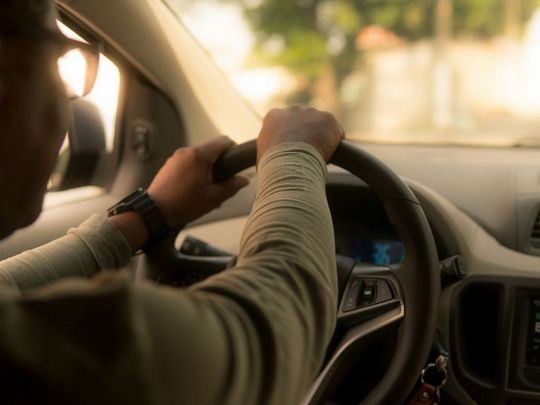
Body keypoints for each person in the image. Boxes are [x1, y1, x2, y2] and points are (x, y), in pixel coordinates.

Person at [0, 1, 344, 404]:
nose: (68, 102)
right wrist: (295, 155)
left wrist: (148, 215)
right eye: (59, 60)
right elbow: (266, 334)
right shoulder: (62, 355)